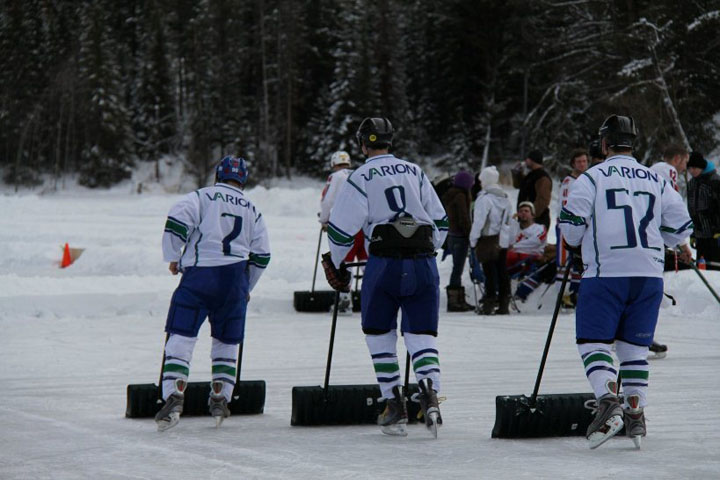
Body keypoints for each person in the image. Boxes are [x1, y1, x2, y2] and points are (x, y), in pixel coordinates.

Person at [559, 114, 692, 449]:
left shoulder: (590, 178)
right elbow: (680, 229)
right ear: (633, 143)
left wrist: (584, 237)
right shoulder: (656, 178)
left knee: (593, 342)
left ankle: (607, 401)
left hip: (606, 274)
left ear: (604, 144)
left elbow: (571, 229)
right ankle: (635, 411)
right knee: (634, 348)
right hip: (649, 275)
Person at [321, 117, 447, 437]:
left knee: (379, 333)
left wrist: (338, 263)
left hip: (384, 263)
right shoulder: (414, 170)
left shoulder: (360, 175)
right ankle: (430, 393)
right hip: (423, 262)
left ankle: (394, 405)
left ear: (363, 144)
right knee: (422, 335)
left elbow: (339, 231)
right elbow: (441, 223)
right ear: (391, 142)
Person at [155, 156, 271, 431]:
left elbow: (176, 221)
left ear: (217, 174)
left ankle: (174, 394)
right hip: (234, 281)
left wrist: (173, 256)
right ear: (243, 179)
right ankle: (221, 398)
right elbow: (263, 255)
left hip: (200, 277)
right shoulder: (253, 208)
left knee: (182, 335)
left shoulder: (201, 196)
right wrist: (247, 286)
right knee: (226, 341)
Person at [319, 150, 368, 311]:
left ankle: (345, 298)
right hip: (365, 223)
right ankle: (376, 296)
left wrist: (324, 219)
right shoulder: (360, 173)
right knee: (366, 260)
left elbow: (328, 200)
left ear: (334, 163)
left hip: (345, 225)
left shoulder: (336, 176)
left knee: (344, 261)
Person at [469, 166, 512, 315]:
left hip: (487, 239)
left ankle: (489, 302)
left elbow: (478, 222)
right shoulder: (505, 197)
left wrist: (473, 240)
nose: (480, 183)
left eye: (481, 180)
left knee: (489, 272)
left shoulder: (484, 199)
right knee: (502, 271)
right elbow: (508, 220)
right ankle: (503, 302)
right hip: (502, 240)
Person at [555, 149, 589, 308]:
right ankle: (562, 295)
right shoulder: (570, 182)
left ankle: (576, 291)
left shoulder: (587, 180)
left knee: (579, 260)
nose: (582, 164)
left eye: (584, 161)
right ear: (573, 164)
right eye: (579, 162)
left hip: (582, 226)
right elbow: (565, 205)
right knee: (564, 261)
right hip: (567, 225)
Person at [441, 170, 475, 311]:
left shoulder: (449, 194)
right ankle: (455, 300)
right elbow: (464, 218)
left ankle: (457, 298)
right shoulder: (461, 195)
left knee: (457, 267)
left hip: (451, 235)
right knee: (458, 268)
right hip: (460, 236)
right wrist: (470, 234)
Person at [687, 151, 720, 269]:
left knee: (716, 268)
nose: (692, 171)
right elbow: (691, 211)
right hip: (700, 234)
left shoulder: (715, 181)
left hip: (714, 234)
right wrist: (693, 233)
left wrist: (718, 230)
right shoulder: (691, 184)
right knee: (702, 267)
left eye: (695, 168)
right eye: (690, 168)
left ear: (702, 167)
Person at [511, 149, 552, 229]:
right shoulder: (531, 175)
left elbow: (543, 200)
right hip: (526, 220)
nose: (525, 161)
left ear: (533, 160)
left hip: (536, 222)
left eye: (527, 159)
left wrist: (529, 216)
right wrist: (517, 173)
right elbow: (518, 185)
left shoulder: (542, 177)